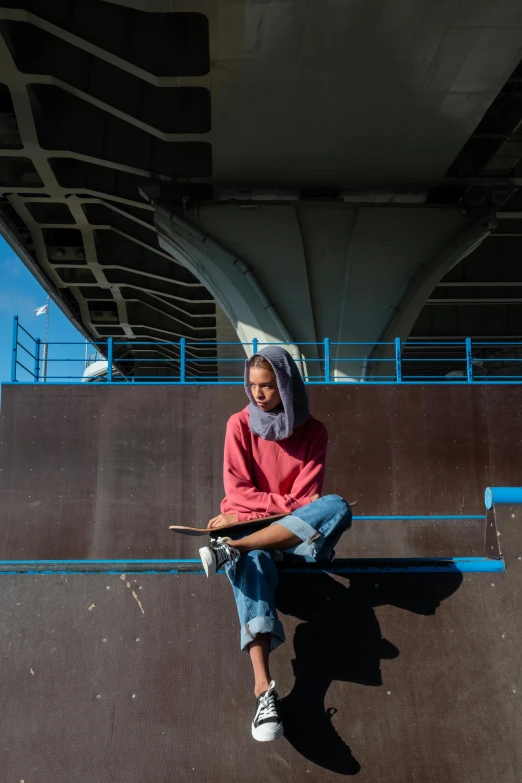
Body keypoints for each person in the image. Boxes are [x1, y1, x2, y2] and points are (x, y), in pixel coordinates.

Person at [198, 346, 352, 742]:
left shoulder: (314, 432)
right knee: (257, 562)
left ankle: (236, 549)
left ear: (286, 384)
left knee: (337, 506)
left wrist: (246, 518)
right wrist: (281, 508)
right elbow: (237, 489)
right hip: (268, 537)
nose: (258, 394)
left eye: (267, 386)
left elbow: (312, 499)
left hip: (292, 539)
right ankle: (263, 690)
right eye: (252, 386)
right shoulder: (239, 424)